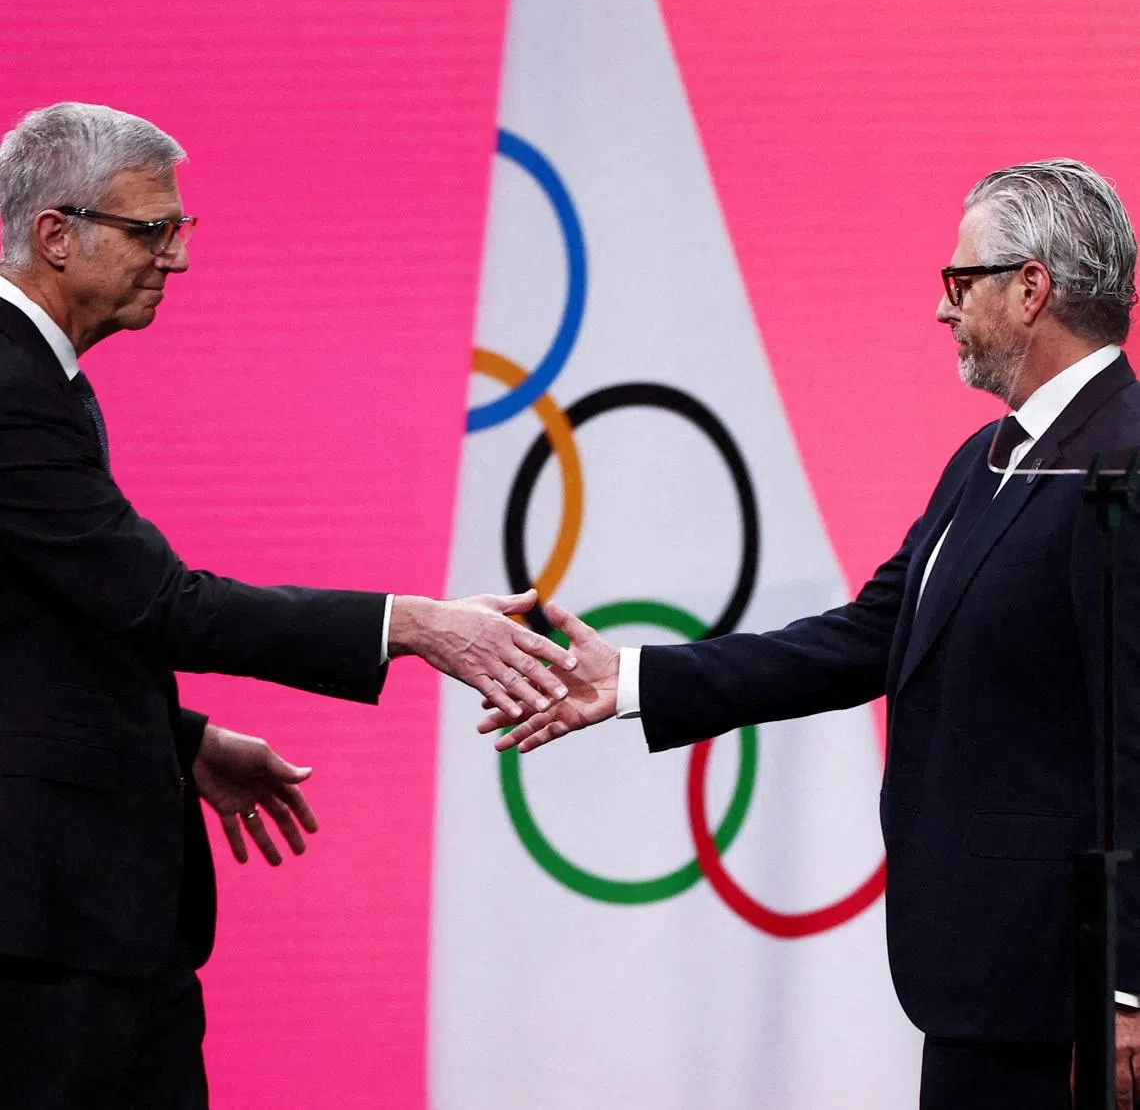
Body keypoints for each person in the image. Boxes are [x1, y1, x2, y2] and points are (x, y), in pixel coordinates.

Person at [483, 158, 1140, 1109]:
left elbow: (1135, 741)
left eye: (960, 282)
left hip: (1071, 1001)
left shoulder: (1122, 458)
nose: (942, 310)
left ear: (1031, 288)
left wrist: (1125, 987)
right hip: (983, 983)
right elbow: (867, 637)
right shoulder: (985, 459)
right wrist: (629, 679)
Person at [0, 101, 576, 1109]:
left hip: (87, 922)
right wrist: (416, 623)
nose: (174, 259)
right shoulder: (9, 386)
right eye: (152, 230)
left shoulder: (41, 379)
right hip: (47, 928)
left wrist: (177, 737)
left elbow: (39, 632)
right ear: (57, 233)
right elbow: (158, 603)